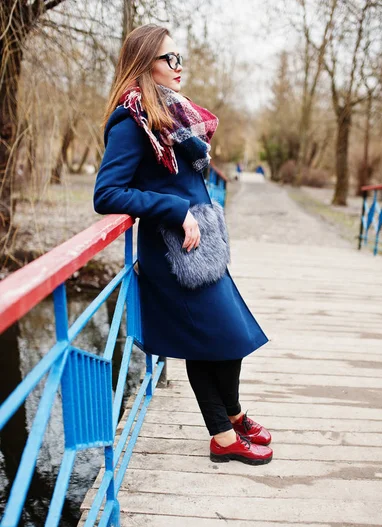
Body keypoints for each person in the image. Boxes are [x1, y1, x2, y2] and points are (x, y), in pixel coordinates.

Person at [93, 24, 273, 466]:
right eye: (168, 59)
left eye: (179, 58)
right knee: (220, 337)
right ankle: (222, 435)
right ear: (143, 65)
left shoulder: (172, 116)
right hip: (174, 253)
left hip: (202, 246)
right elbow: (107, 193)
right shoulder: (130, 121)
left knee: (226, 334)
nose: (178, 67)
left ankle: (231, 416)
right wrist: (174, 209)